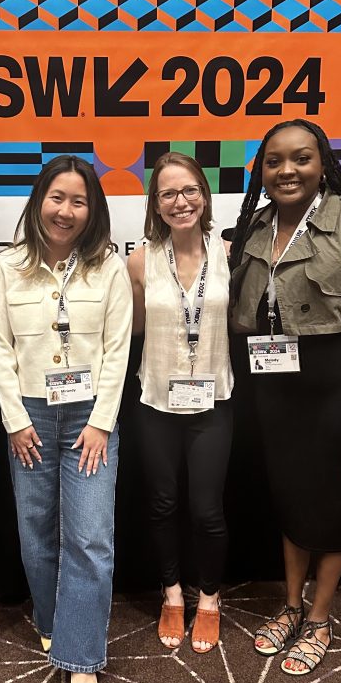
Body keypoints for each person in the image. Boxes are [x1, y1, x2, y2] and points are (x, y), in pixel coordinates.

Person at [229, 119, 341, 675]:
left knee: (337, 505)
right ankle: (290, 603)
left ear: (323, 162)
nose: (287, 170)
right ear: (261, 169)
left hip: (340, 392)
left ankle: (321, 616)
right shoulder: (254, 228)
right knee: (292, 499)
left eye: (301, 158)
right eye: (274, 161)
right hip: (277, 396)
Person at [0, 155, 132, 683]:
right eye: (57, 198)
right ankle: (51, 620)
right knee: (35, 529)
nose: (66, 211)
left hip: (91, 417)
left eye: (79, 201)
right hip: (30, 415)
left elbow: (119, 350)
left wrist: (102, 422)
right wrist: (15, 421)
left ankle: (82, 652)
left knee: (90, 535)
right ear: (39, 201)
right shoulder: (8, 266)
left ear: (91, 210)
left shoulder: (109, 267)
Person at [127, 152, 234, 654]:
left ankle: (209, 600)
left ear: (204, 195)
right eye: (168, 193)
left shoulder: (229, 252)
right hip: (155, 403)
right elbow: (134, 332)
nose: (180, 201)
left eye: (189, 190)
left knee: (207, 511)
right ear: (155, 203)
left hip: (214, 403)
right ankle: (172, 595)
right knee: (163, 504)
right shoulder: (140, 259)